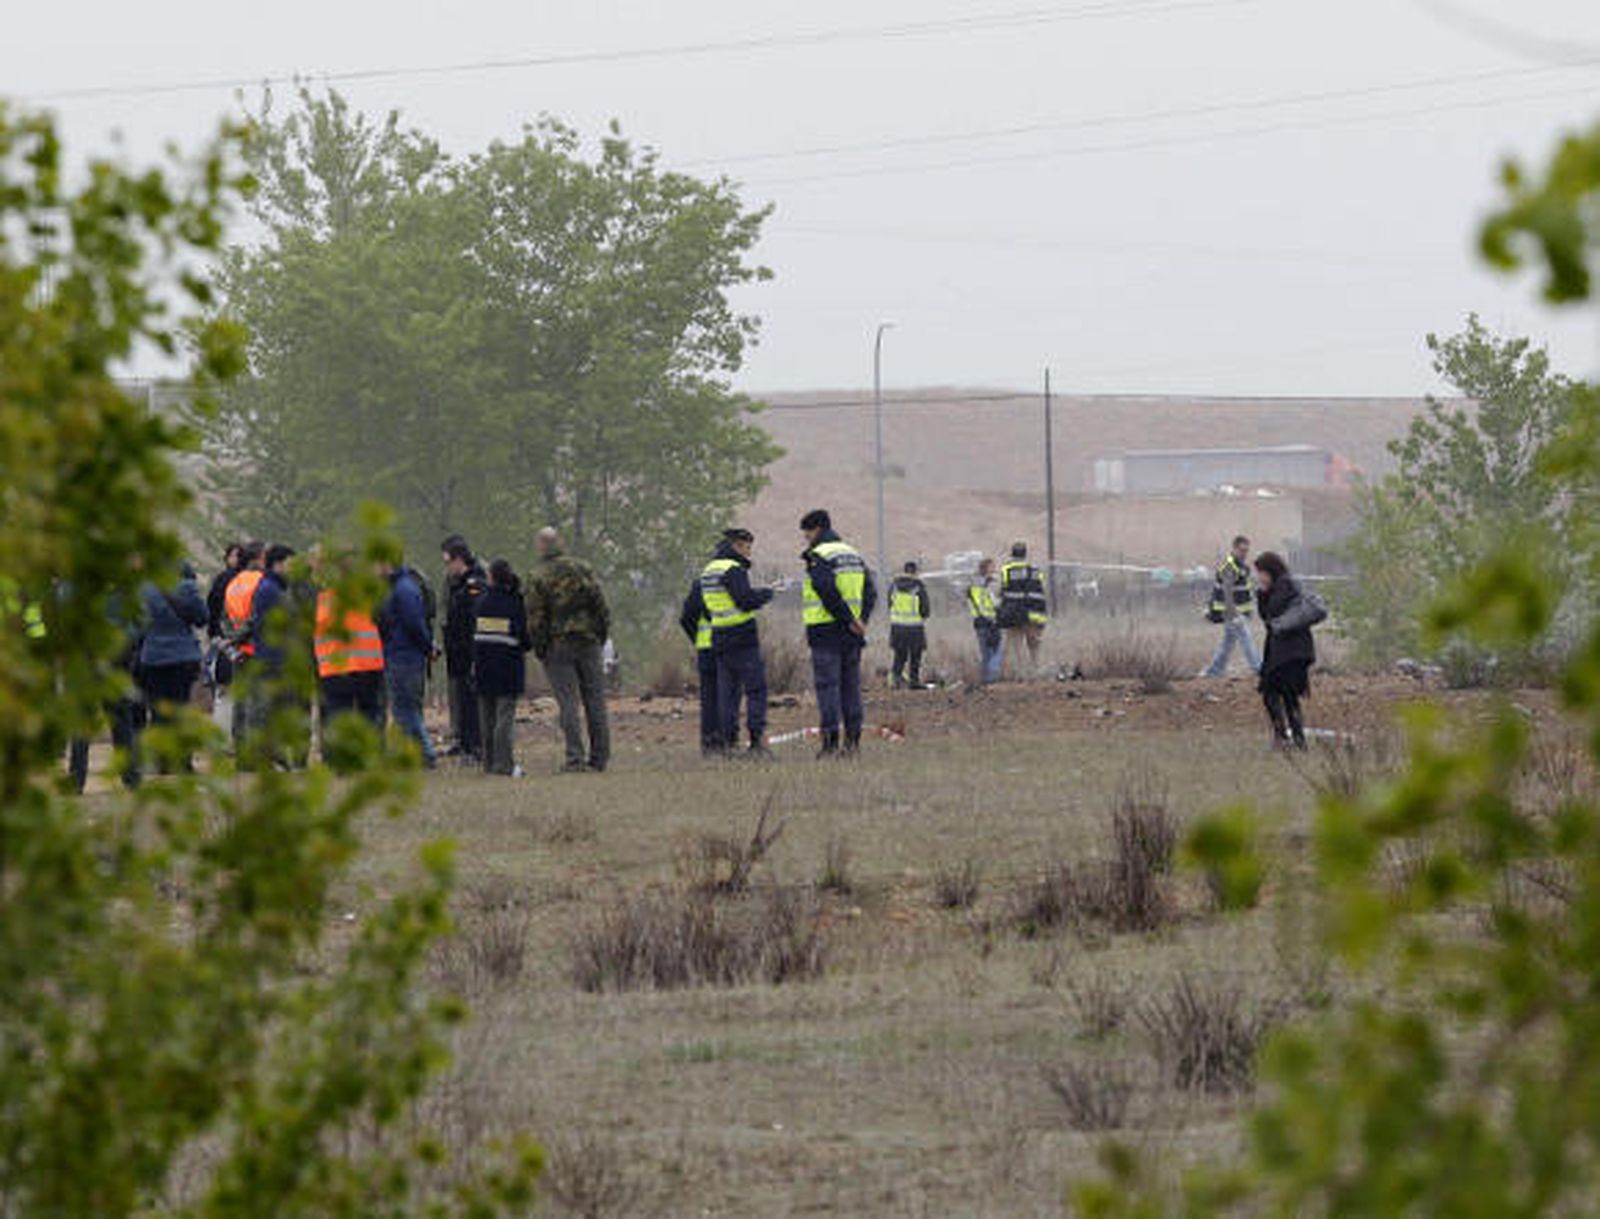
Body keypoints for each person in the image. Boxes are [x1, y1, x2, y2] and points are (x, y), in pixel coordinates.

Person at [526, 526, 611, 773]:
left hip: (558, 646)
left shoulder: (537, 576)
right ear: (559, 542)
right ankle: (600, 756)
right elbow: (601, 605)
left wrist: (540, 647)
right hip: (588, 641)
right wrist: (600, 635)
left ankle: (575, 758)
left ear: (540, 546)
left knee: (568, 703)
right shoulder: (583, 568)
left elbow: (536, 618)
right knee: (595, 700)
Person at [799, 508, 876, 758]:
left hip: (826, 632)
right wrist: (860, 620)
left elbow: (825, 589)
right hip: (852, 634)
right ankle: (852, 745)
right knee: (851, 688)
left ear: (817, 529)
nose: (806, 539)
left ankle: (830, 745)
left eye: (807, 533)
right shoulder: (853, 554)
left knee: (828, 688)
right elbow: (871, 592)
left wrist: (847, 619)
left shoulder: (818, 555)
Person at [701, 527, 775, 757]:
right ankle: (756, 742)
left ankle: (728, 742)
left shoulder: (708, 571)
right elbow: (745, 600)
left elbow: (705, 608)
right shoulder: (733, 569)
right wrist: (766, 594)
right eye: (746, 548)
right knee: (756, 690)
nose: (748, 554)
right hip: (742, 638)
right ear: (737, 545)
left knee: (728, 694)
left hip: (720, 638)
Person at [137, 561, 207, 770]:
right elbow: (202, 619)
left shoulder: (144, 588)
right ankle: (182, 762)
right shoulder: (187, 587)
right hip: (181, 655)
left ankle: (161, 761)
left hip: (152, 655)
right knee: (182, 708)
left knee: (158, 711)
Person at [1254, 551, 1327, 750]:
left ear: (1271, 570)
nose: (1259, 576)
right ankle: (1296, 740)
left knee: (1272, 692)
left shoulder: (1284, 586)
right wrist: (1262, 592)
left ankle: (1284, 738)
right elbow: (1268, 619)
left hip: (1290, 651)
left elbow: (1271, 616)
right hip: (1290, 651)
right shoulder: (1281, 586)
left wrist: (1264, 593)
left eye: (1261, 572)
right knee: (1287, 695)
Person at [473, 558, 533, 777]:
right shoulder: (515, 603)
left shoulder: (481, 602)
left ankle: (489, 763)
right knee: (504, 718)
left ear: (492, 578)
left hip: (483, 666)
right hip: (508, 666)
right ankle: (504, 764)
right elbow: (525, 639)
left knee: (486, 718)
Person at [378, 559, 437, 768]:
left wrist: (427, 647)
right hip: (403, 655)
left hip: (404, 657)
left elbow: (414, 624)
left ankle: (423, 755)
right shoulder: (401, 587)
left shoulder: (402, 589)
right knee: (408, 709)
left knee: (404, 710)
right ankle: (420, 755)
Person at [314, 574, 387, 743]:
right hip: (368, 666)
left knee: (338, 717)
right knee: (369, 715)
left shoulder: (322, 601)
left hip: (334, 669)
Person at [440, 535, 487, 760]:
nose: (446, 567)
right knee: (462, 700)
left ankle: (475, 746)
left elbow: (474, 620)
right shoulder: (456, 583)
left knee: (471, 702)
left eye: (448, 561)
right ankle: (466, 743)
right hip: (457, 653)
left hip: (469, 651)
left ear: (459, 560)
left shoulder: (474, 583)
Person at [1203, 534, 1262, 678]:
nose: (1244, 554)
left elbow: (1244, 589)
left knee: (1227, 643)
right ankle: (1258, 668)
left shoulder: (1241, 566)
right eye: (1242, 550)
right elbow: (1227, 593)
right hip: (1232, 613)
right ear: (1234, 549)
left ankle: (1214, 670)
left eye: (1246, 551)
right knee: (1246, 639)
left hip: (1238, 613)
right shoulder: (1229, 567)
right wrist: (1233, 614)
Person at [678, 567, 721, 757]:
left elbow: (686, 617)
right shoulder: (734, 578)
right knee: (727, 697)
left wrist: (696, 638)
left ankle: (709, 744)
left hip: (705, 647)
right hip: (728, 646)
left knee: (709, 699)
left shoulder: (700, 583)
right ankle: (725, 742)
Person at [997, 542, 1048, 678]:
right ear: (1025, 554)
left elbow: (1002, 590)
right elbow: (1041, 589)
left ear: (1012, 554)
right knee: (1034, 646)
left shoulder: (1006, 570)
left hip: (1014, 613)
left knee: (1016, 646)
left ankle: (1020, 674)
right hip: (1034, 613)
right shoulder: (1035, 570)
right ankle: (1035, 672)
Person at [888, 560, 931, 689]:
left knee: (899, 655)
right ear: (915, 572)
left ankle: (895, 680)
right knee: (915, 656)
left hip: (897, 627)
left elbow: (889, 605)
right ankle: (914, 681)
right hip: (914, 627)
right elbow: (925, 610)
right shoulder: (919, 587)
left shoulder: (894, 586)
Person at [967, 557, 1003, 685]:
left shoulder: (972, 585)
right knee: (997, 650)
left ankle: (985, 677)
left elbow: (970, 603)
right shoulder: (990, 584)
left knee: (985, 652)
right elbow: (995, 603)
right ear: (986, 569)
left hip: (978, 621)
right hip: (991, 621)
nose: (995, 569)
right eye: (992, 567)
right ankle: (992, 677)